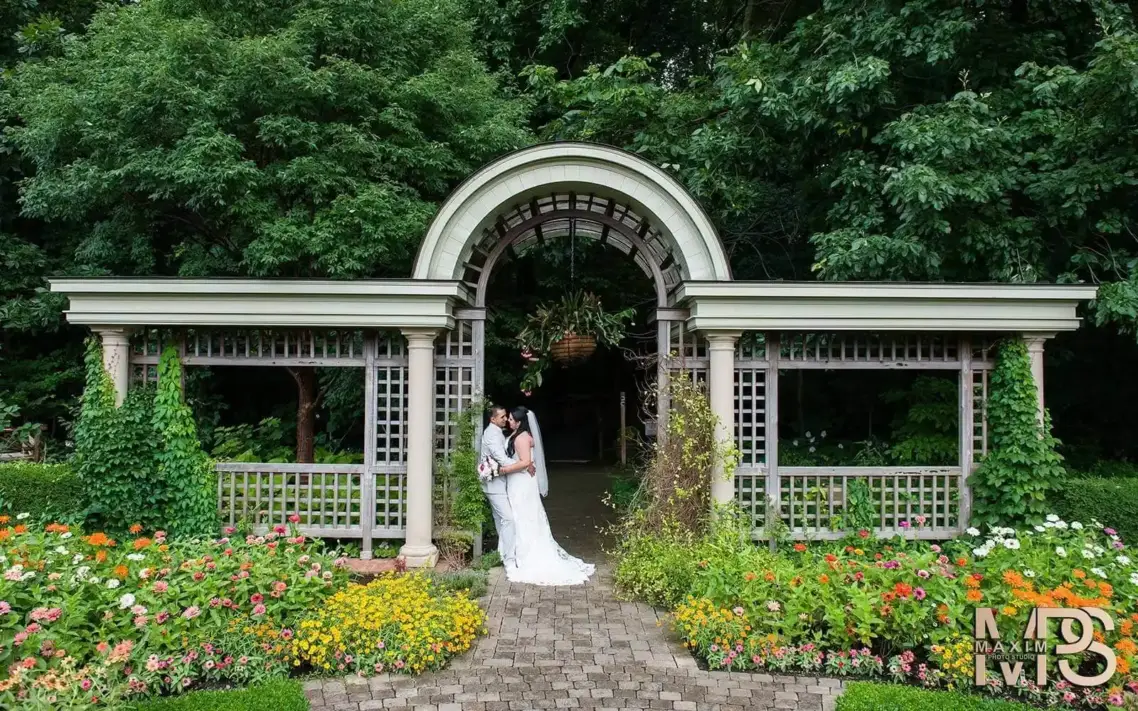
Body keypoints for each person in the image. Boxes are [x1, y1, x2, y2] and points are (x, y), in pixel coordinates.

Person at [504, 405, 595, 586]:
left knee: (522, 516)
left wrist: (502, 469)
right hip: (522, 481)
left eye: (511, 419)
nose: (508, 421)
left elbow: (525, 462)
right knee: (523, 515)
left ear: (520, 422)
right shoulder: (520, 436)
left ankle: (525, 554)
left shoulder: (522, 438)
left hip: (521, 482)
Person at [479, 405, 534, 568]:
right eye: (502, 417)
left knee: (501, 520)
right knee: (508, 519)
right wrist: (524, 465)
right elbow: (502, 459)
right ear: (493, 419)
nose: (505, 419)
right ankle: (509, 559)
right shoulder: (492, 435)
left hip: (501, 483)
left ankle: (503, 552)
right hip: (494, 485)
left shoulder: (498, 432)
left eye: (506, 416)